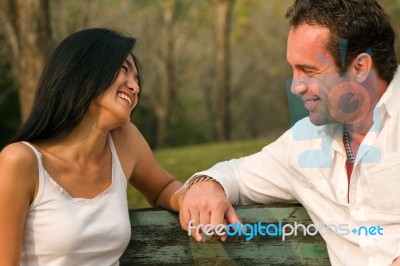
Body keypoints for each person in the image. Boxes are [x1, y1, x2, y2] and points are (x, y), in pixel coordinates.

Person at [178, 0, 400, 265]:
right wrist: (207, 185)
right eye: (293, 69)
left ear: (360, 68)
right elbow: (235, 175)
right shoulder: (304, 143)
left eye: (309, 71)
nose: (296, 86)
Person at [0, 28, 182, 265]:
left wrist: (193, 199)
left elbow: (163, 188)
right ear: (84, 73)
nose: (135, 87)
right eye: (124, 71)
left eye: (136, 80)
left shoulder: (125, 142)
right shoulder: (20, 161)